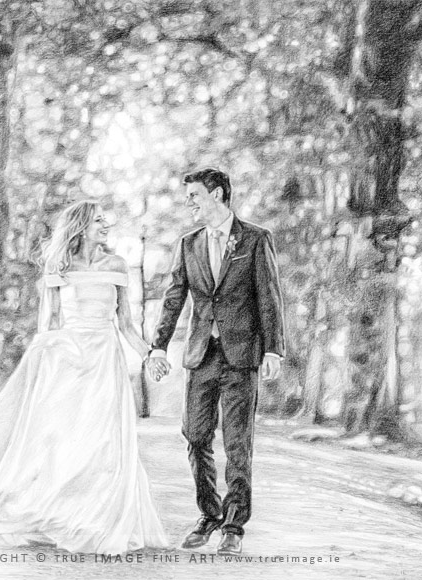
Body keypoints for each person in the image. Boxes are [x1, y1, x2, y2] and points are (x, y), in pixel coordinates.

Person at [0, 200, 169, 554]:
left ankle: (100, 522)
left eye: (105, 220)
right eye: (98, 221)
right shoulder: (57, 266)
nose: (106, 225)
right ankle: (57, 514)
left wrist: (150, 353)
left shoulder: (116, 265)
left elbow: (125, 324)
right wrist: (41, 366)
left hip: (105, 361)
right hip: (66, 361)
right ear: (80, 227)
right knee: (61, 439)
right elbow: (47, 325)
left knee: (106, 442)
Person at [147, 168, 285, 556]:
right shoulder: (188, 243)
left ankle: (234, 525)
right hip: (201, 356)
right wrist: (158, 347)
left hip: (241, 356)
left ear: (218, 194)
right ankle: (209, 514)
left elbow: (269, 297)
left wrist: (274, 349)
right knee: (195, 435)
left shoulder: (256, 239)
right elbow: (174, 297)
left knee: (238, 442)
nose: (189, 203)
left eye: (194, 195)